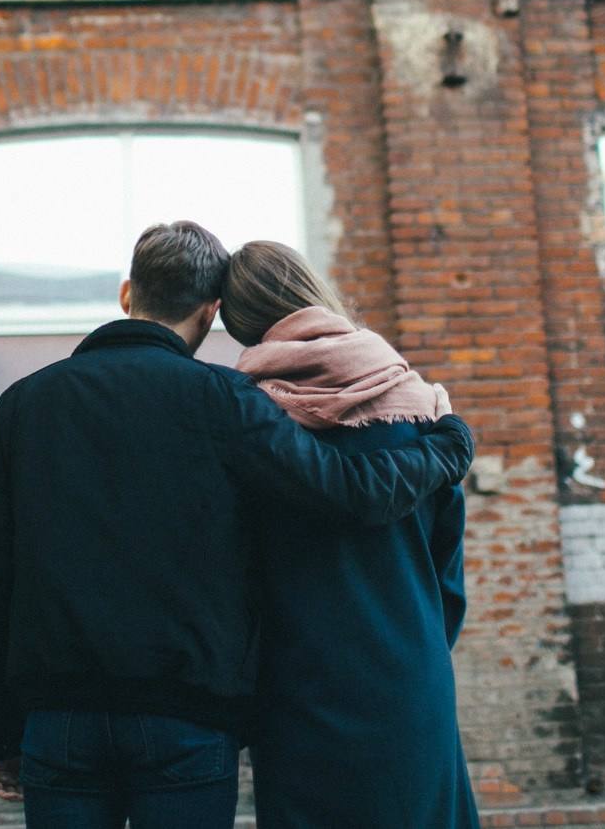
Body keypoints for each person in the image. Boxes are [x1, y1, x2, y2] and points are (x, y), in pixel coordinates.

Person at [0, 220, 474, 829]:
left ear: (128, 294)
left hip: (61, 715)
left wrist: (0, 734)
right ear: (210, 315)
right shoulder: (229, 399)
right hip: (194, 714)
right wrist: (445, 449)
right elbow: (347, 494)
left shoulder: (23, 403)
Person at [221, 239, 479, 829]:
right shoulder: (419, 408)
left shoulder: (250, 421)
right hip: (411, 674)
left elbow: (237, 574)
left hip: (298, 688)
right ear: (312, 289)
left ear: (239, 324)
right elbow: (448, 574)